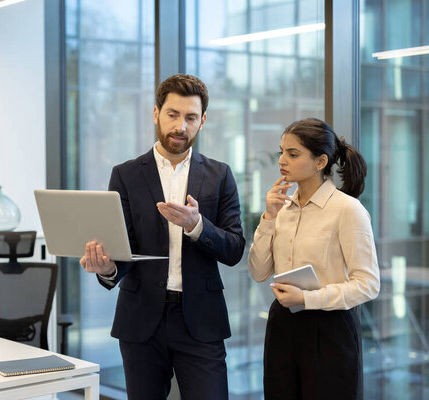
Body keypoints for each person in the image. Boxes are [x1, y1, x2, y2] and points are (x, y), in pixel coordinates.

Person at [79, 73, 245, 400]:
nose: (180, 126)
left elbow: (235, 248)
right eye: (172, 114)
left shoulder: (220, 174)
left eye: (190, 117)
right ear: (156, 113)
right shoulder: (125, 174)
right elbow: (122, 250)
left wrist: (198, 226)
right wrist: (107, 267)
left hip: (201, 320)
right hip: (141, 320)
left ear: (203, 121)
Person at [248, 118, 380, 400]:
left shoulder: (348, 210)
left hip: (330, 328)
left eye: (293, 154)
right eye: (281, 151)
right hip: (283, 325)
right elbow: (259, 272)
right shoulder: (280, 208)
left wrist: (308, 299)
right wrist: (268, 216)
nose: (282, 160)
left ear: (321, 161)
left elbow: (368, 284)